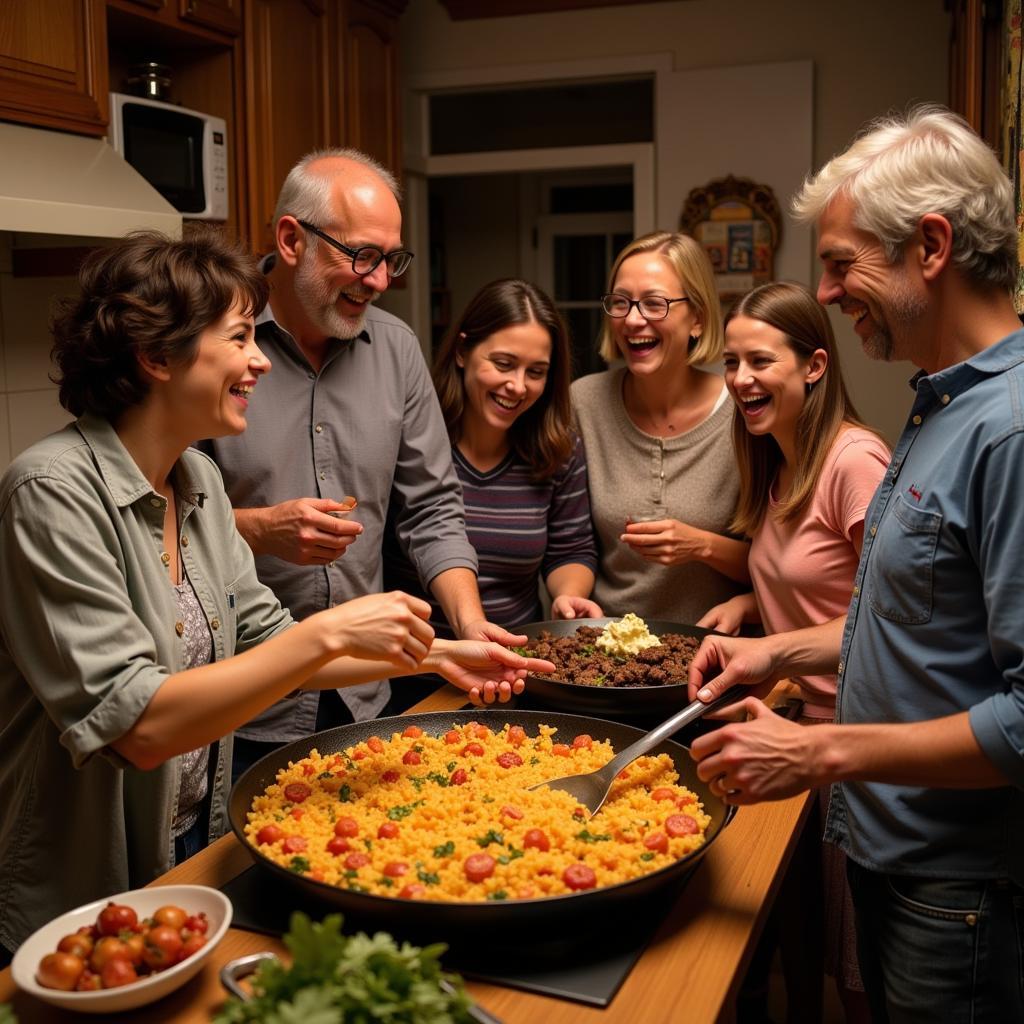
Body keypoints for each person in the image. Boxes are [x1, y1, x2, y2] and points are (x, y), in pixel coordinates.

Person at [0, 230, 551, 958]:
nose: (260, 358)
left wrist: (443, 656)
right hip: (77, 883)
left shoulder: (195, 481)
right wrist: (328, 632)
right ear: (155, 355)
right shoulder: (51, 491)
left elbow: (268, 644)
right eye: (237, 338)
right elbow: (136, 726)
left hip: (187, 845)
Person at [687, 106, 1024, 1023]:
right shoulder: (938, 404)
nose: (827, 292)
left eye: (842, 264)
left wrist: (815, 749)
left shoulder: (1012, 428)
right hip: (889, 851)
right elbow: (915, 628)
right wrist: (780, 655)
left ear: (932, 245)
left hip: (957, 886)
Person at [199, 149, 520, 780]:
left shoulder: (396, 349)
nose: (378, 280)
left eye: (390, 260)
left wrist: (469, 621)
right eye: (361, 255)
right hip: (239, 704)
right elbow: (163, 520)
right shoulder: (214, 343)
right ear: (292, 239)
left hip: (364, 698)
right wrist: (262, 529)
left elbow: (431, 507)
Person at [699, 281, 890, 1022]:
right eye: (730, 362)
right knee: (804, 940)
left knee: (859, 972)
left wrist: (773, 648)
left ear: (813, 365)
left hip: (855, 737)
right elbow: (818, 578)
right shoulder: (778, 466)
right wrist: (754, 598)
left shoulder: (854, 462)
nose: (740, 378)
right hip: (796, 729)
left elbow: (893, 626)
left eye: (759, 360)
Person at [385, 278, 601, 633]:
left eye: (536, 372)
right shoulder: (410, 440)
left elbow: (572, 550)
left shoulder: (559, 450)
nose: (517, 386)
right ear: (461, 351)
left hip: (513, 666)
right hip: (413, 671)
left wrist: (568, 595)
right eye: (503, 364)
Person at [571, 231, 749, 625]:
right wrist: (569, 595)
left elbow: (784, 567)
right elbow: (568, 539)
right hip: (608, 652)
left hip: (717, 653)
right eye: (620, 303)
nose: (633, 320)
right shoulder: (583, 402)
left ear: (698, 319)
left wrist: (701, 545)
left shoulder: (744, 411)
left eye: (655, 303)